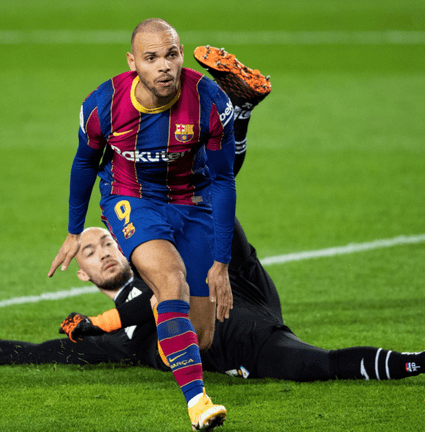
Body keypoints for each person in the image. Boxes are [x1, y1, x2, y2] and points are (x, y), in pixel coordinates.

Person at [46, 30, 271, 430]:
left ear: (182, 54)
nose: (164, 65)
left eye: (170, 54)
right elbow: (84, 164)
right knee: (172, 282)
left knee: (198, 340)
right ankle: (198, 402)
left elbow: (223, 180)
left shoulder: (206, 98)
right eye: (151, 58)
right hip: (131, 198)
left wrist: (221, 262)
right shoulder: (104, 105)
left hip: (192, 198)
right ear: (133, 63)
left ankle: (243, 112)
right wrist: (73, 230)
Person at [0, 222, 425, 385]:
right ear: (82, 272)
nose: (105, 250)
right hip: (246, 338)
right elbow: (43, 353)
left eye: (109, 240)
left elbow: (154, 300)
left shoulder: (158, 268)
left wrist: (94, 322)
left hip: (234, 290)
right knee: (316, 367)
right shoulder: (118, 343)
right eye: (91, 250)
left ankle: (233, 117)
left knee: (218, 226)